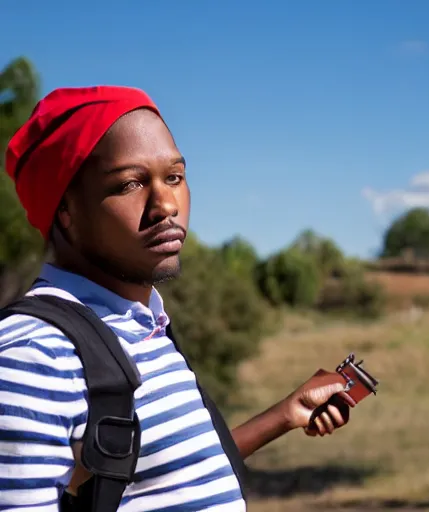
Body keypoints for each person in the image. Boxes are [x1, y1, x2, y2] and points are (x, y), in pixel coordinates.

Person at [0, 86, 356, 511]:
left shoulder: (139, 327)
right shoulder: (35, 353)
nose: (166, 204)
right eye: (130, 184)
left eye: (174, 177)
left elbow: (165, 482)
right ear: (66, 211)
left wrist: (284, 415)